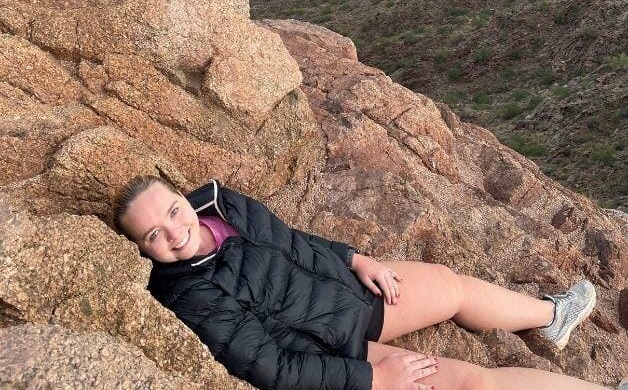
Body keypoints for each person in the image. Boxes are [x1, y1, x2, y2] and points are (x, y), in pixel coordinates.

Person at [112, 175, 614, 390]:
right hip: (334, 348)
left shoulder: (220, 203)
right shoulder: (187, 292)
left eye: (174, 210)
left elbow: (291, 240)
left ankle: (552, 318)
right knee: (471, 382)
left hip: (348, 293)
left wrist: (355, 258)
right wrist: (375, 379)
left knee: (449, 285)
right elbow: (272, 369)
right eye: (155, 234)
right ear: (142, 248)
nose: (177, 232)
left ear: (183, 195)